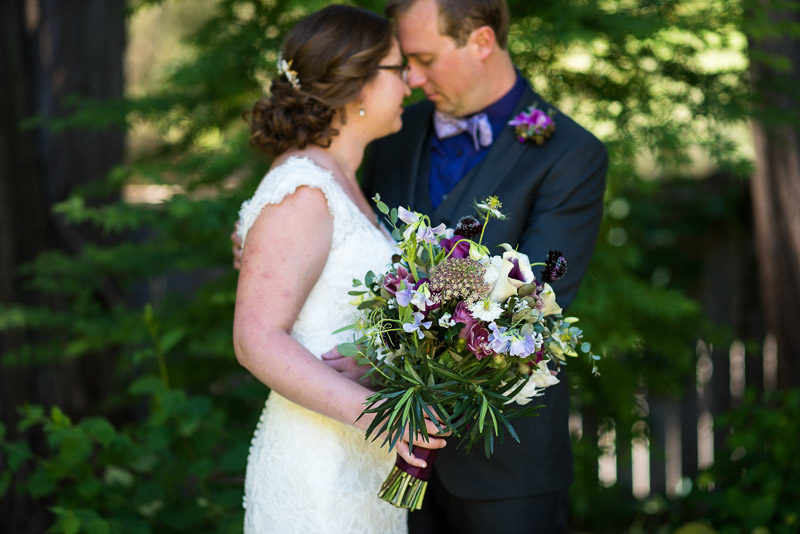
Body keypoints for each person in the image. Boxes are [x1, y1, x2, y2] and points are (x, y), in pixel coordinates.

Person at [232, 1, 608, 532]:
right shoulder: (389, 133)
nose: (412, 77)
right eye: (402, 62)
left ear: (479, 42)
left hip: (503, 466)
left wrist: (384, 357)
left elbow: (533, 303)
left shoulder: (568, 153)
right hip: (372, 463)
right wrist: (261, 236)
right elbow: (317, 237)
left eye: (424, 58)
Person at [231, 5, 447, 534]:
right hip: (318, 471)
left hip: (357, 464)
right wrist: (383, 416)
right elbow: (256, 337)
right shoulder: (305, 190)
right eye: (399, 70)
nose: (413, 82)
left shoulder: (341, 179)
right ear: (357, 89)